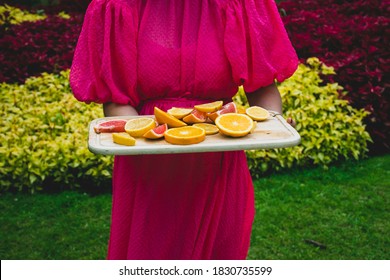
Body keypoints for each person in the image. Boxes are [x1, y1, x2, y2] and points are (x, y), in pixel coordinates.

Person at [70, 0, 298, 260]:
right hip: (150, 170)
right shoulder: (116, 6)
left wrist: (273, 122)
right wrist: (148, 140)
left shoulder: (243, 4)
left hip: (218, 163)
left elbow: (262, 86)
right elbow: (117, 99)